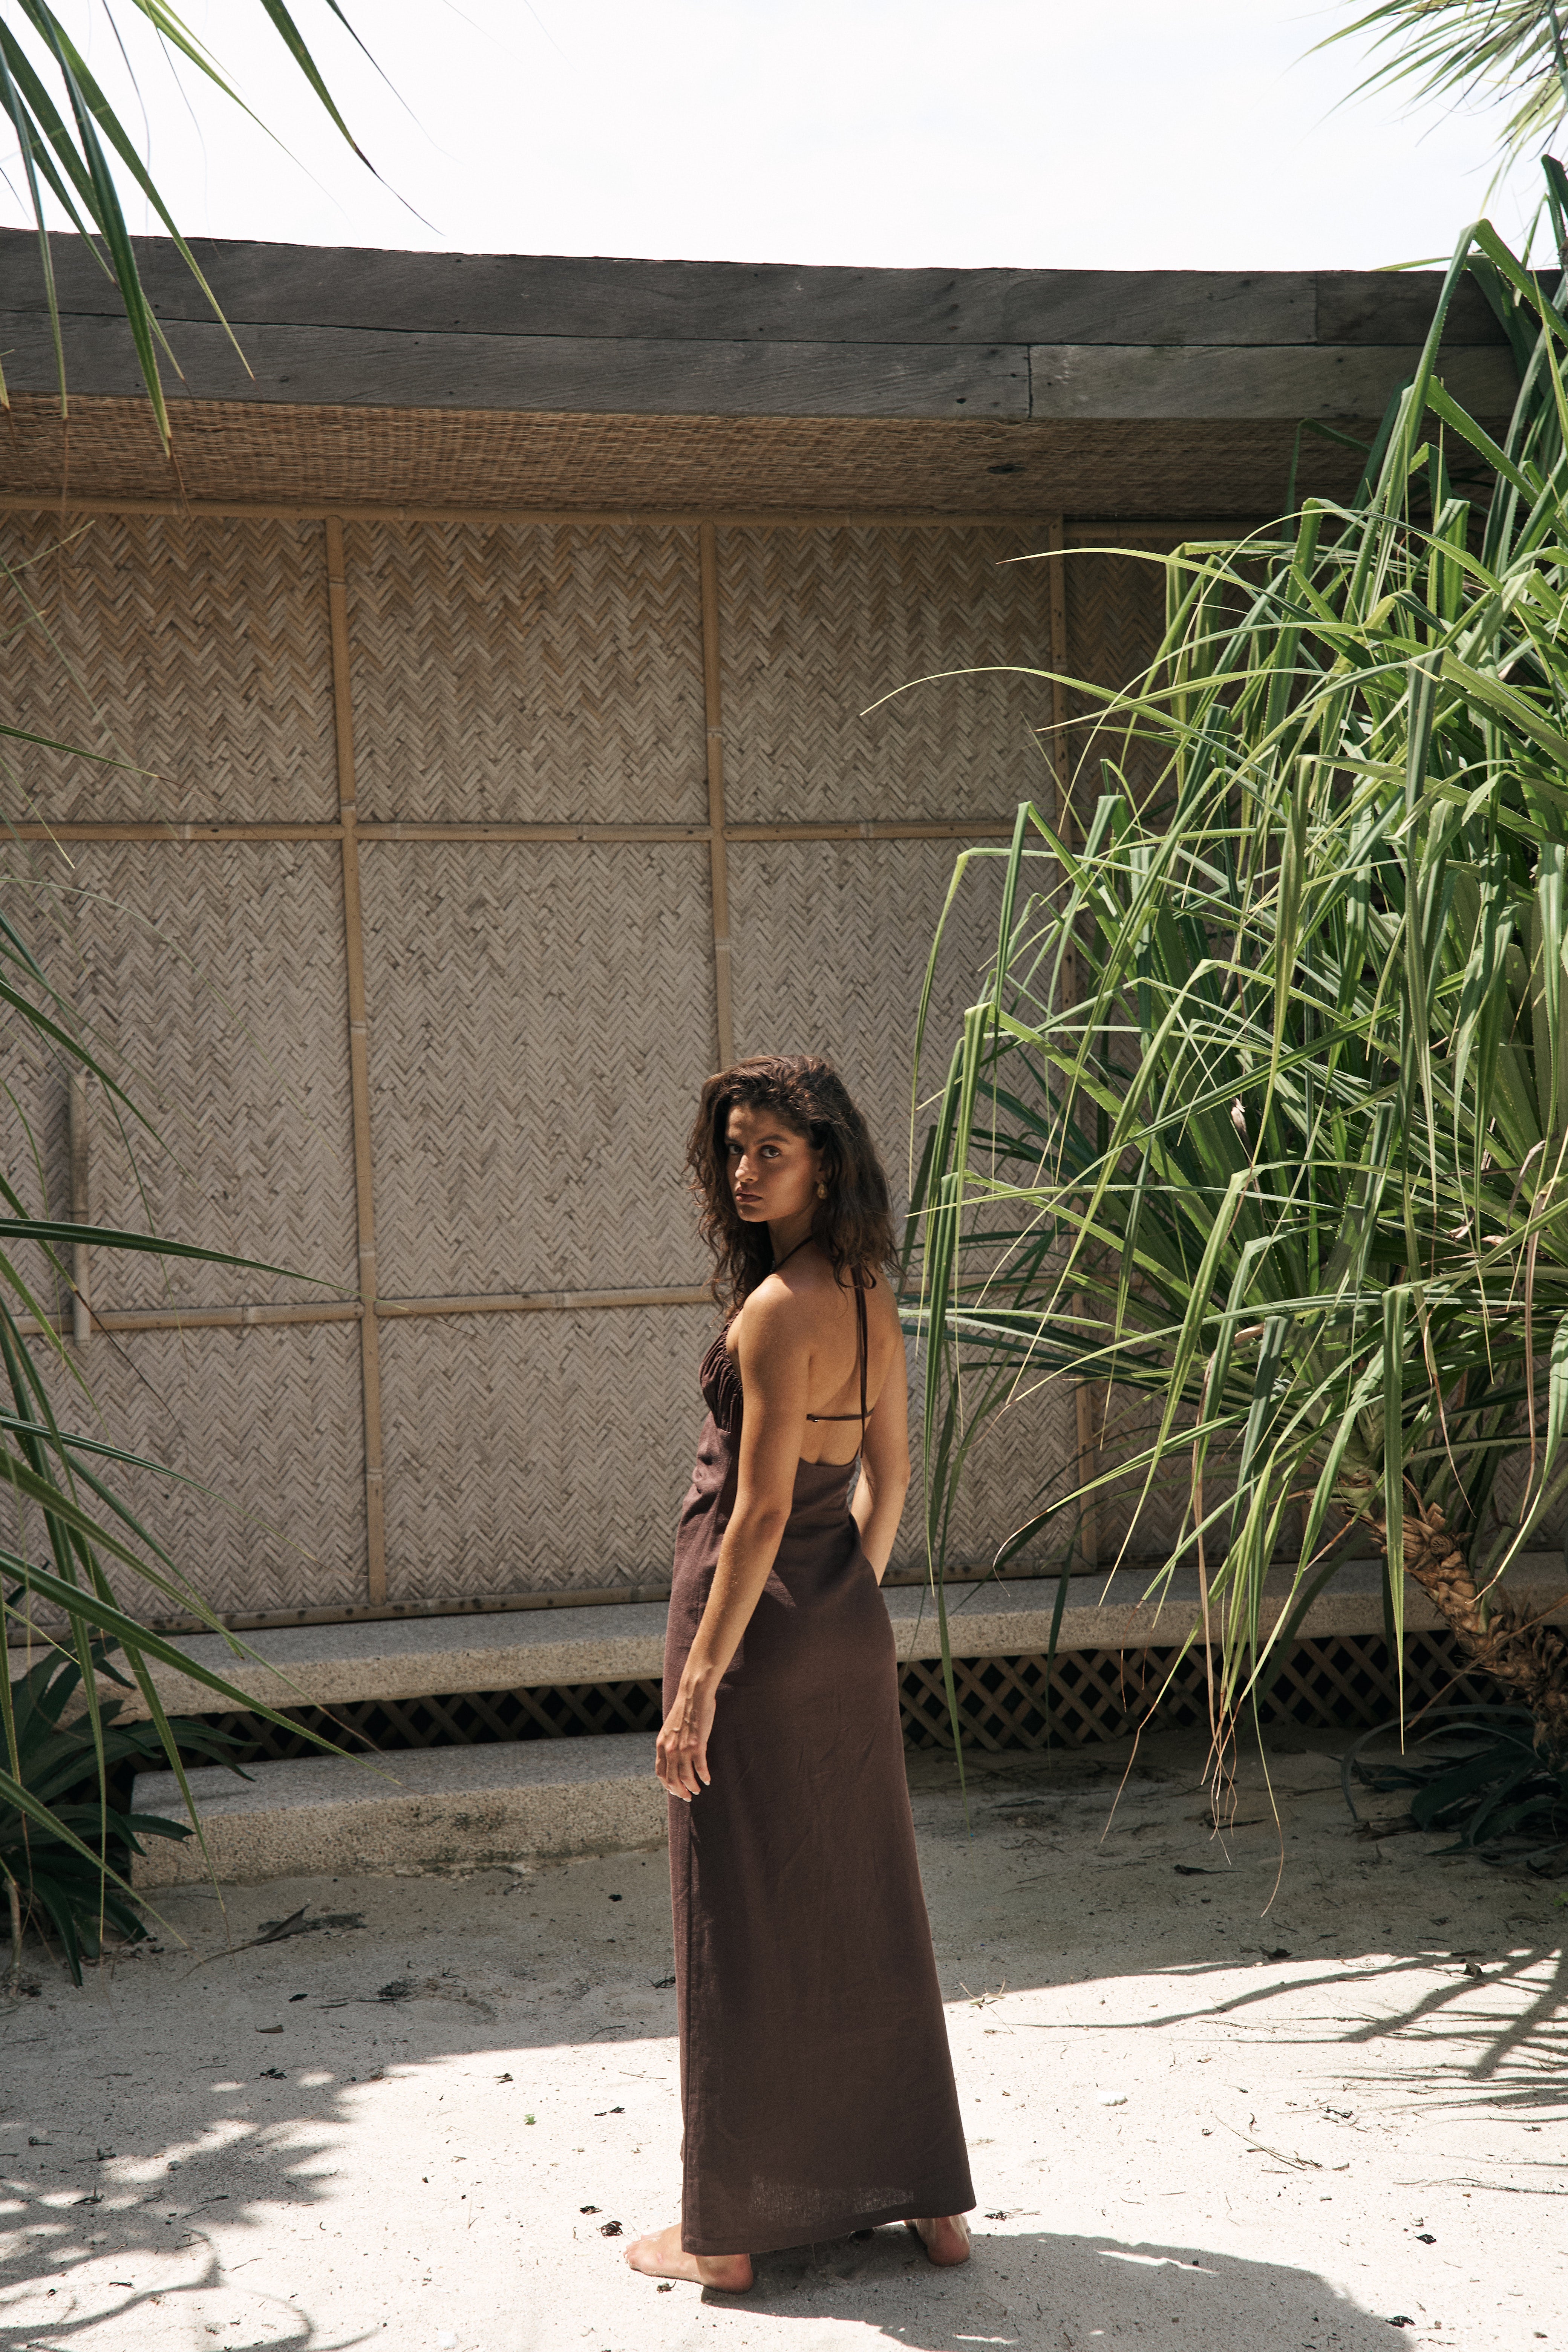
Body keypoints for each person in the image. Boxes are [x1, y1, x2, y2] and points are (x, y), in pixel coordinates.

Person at [626, 1054, 975, 2294]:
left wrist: (702, 1680)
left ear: (828, 1155)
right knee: (865, 1905)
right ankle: (928, 2204)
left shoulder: (777, 1312)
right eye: (733, 1149)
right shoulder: (870, 1289)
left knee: (741, 1919)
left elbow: (758, 1511)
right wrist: (855, 1597)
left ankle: (723, 2235)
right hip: (843, 1626)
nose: (745, 1169)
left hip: (753, 1627)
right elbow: (894, 1471)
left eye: (771, 1147)